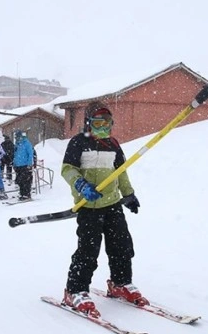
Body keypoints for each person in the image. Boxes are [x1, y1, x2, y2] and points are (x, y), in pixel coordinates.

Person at [59, 102, 144, 317]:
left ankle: (120, 282)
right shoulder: (78, 142)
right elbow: (67, 170)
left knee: (122, 245)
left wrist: (128, 194)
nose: (103, 128)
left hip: (112, 203)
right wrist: (81, 186)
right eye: (98, 123)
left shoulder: (113, 144)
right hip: (88, 206)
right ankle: (75, 290)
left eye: (107, 123)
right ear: (88, 123)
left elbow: (121, 172)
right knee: (88, 250)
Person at [12, 130, 34, 201]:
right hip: (18, 165)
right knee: (20, 181)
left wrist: (29, 164)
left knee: (26, 180)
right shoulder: (17, 144)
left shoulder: (26, 143)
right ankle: (22, 193)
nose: (17, 138)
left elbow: (30, 154)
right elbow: (15, 155)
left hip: (25, 165)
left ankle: (27, 194)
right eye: (16, 137)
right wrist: (14, 163)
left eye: (18, 137)